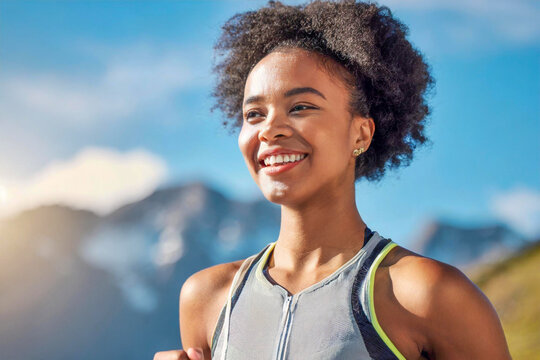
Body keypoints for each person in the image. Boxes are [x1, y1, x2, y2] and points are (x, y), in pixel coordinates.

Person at [154, 0, 512, 359]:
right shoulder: (207, 298)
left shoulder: (430, 295)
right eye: (254, 114)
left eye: (301, 107)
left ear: (361, 134)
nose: (270, 130)